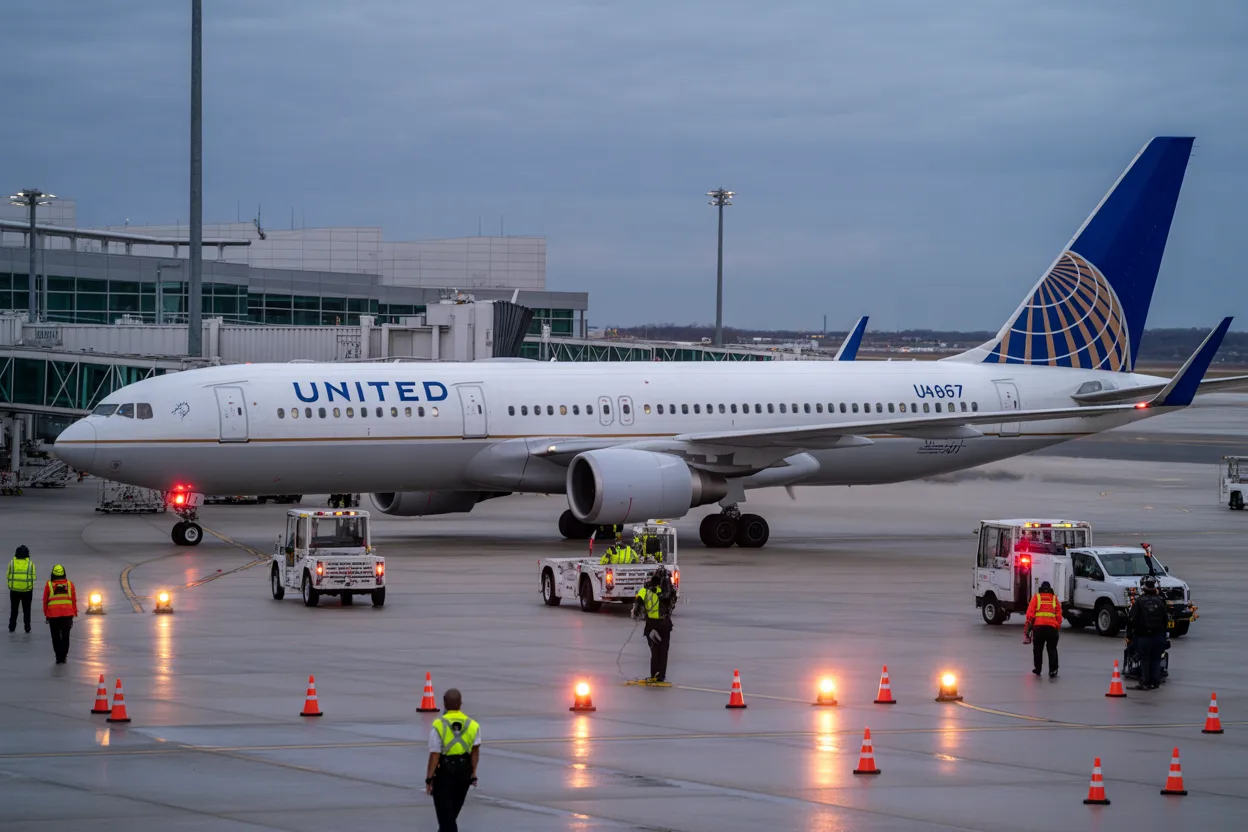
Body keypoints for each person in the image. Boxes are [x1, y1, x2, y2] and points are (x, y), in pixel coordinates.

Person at [426, 688, 480, 832]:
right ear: (461, 703)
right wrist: (473, 773)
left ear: (444, 703)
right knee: (450, 816)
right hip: (464, 772)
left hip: (444, 772)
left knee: (446, 818)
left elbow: (435, 754)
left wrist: (429, 778)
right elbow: (475, 751)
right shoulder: (473, 725)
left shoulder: (438, 725)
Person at [1128, 576, 1170, 690]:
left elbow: (1132, 619)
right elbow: (1165, 619)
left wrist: (1131, 635)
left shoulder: (1139, 602)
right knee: (1156, 659)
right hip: (1158, 636)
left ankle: (1145, 681)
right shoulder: (1160, 601)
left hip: (1144, 636)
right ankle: (1155, 682)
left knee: (1145, 659)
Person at [633, 567, 673, 682]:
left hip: (651, 626)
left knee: (655, 651)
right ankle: (661, 675)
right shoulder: (664, 592)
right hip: (664, 625)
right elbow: (670, 597)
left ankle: (654, 674)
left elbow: (637, 612)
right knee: (663, 651)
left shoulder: (644, 591)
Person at [42, 564, 78, 664]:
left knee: (55, 636)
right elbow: (73, 600)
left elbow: (45, 600)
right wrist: (74, 612)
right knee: (65, 636)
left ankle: (58, 657)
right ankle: (64, 656)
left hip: (53, 615)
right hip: (67, 614)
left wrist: (46, 614)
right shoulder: (70, 585)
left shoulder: (49, 585)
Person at [1024, 581, 1061, 677]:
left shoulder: (1036, 598)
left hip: (1038, 628)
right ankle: (1053, 670)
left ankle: (1038, 669)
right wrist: (1057, 626)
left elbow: (1029, 615)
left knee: (1037, 649)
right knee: (1052, 649)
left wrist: (1026, 632)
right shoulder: (1054, 599)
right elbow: (1059, 615)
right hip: (1052, 628)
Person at [7, 545, 35, 634]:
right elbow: (33, 576)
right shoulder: (30, 564)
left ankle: (12, 627)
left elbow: (8, 575)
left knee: (14, 609)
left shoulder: (12, 563)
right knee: (27, 610)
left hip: (14, 590)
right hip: (27, 590)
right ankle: (27, 627)